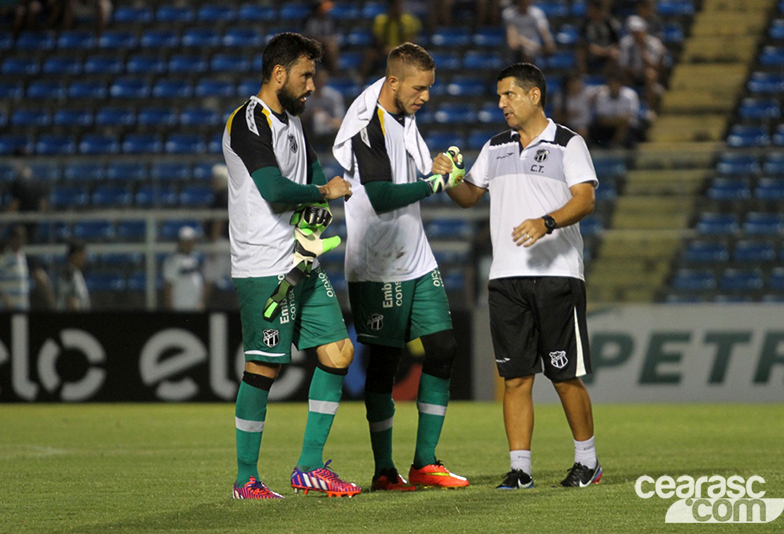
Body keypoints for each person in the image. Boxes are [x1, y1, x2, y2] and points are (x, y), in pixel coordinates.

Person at [446, 63, 602, 490]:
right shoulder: (495, 147)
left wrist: (546, 222)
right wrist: (449, 178)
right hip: (505, 278)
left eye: (508, 95)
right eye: (499, 97)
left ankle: (587, 462)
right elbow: (467, 196)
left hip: (557, 274)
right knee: (515, 378)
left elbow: (585, 199)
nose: (501, 105)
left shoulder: (569, 143)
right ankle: (520, 470)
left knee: (564, 374)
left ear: (534, 96)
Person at [222, 32, 358, 500]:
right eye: (305, 75)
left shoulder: (292, 120)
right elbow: (275, 190)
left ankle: (309, 467)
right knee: (263, 367)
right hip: (263, 266)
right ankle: (246, 480)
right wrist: (322, 195)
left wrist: (318, 210)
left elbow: (312, 168)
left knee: (339, 352)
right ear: (278, 74)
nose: (311, 86)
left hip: (301, 261)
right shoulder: (248, 122)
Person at [332, 42, 469, 491]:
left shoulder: (403, 112)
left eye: (429, 88)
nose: (426, 96)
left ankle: (425, 462)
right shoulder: (366, 124)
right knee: (385, 364)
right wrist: (433, 183)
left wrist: (436, 165)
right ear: (393, 82)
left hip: (416, 255)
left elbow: (415, 166)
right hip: (377, 264)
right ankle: (385, 470)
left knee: (444, 348)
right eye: (420, 88)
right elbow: (379, 194)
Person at [359, 0, 422, 82]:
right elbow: (377, 41)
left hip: (403, 52)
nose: (397, 9)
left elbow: (412, 41)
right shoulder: (381, 21)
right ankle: (361, 81)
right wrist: (385, 49)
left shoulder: (409, 20)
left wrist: (396, 50)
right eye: (394, 6)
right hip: (384, 51)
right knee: (370, 55)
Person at [618, 14, 665, 112]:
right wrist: (633, 71)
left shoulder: (653, 43)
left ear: (644, 31)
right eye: (634, 32)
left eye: (638, 32)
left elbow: (654, 65)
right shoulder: (625, 44)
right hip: (631, 75)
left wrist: (643, 52)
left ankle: (650, 109)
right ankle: (624, 110)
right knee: (619, 76)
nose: (636, 35)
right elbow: (623, 65)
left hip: (647, 75)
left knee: (650, 75)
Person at [0, 225, 54, 311]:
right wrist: (5, 299)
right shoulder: (3, 259)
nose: (19, 241)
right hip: (7, 308)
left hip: (22, 307)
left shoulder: (23, 258)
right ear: (11, 239)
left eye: (21, 238)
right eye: (16, 238)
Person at [203, 164, 234, 310]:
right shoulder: (228, 194)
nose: (212, 182)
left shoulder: (223, 196)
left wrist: (212, 246)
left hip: (222, 242)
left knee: (209, 276)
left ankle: (201, 305)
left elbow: (219, 222)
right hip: (230, 242)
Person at [589, 69, 640, 148]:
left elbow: (629, 117)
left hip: (626, 127)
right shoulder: (602, 96)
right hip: (607, 127)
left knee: (628, 128)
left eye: (616, 83)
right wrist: (618, 120)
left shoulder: (630, 95)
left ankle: (615, 146)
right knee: (594, 128)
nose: (613, 86)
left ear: (621, 84)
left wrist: (615, 120)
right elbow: (601, 119)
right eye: (611, 84)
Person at [162, 226, 205, 311]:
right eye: (186, 241)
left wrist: (200, 301)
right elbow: (168, 286)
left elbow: (198, 281)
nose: (189, 244)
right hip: (179, 305)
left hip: (194, 305)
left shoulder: (195, 258)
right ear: (180, 242)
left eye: (191, 241)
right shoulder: (173, 260)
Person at [502, 0, 556, 64]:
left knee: (531, 51)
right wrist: (526, 44)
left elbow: (543, 30)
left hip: (534, 46)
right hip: (518, 45)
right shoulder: (509, 14)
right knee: (518, 45)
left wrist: (549, 43)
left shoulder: (537, 13)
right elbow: (511, 37)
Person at [303, 66, 345, 145]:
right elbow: (299, 120)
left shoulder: (334, 96)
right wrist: (311, 113)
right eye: (318, 78)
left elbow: (339, 121)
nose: (320, 81)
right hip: (310, 130)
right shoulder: (305, 97)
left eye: (323, 78)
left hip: (330, 130)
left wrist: (325, 118)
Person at [577, 0, 621, 74]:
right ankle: (583, 76)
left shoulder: (609, 22)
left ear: (598, 10)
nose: (589, 12)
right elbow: (583, 40)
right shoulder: (586, 23)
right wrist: (593, 48)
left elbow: (617, 41)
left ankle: (606, 77)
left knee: (615, 54)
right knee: (580, 51)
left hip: (608, 49)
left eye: (591, 9)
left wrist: (607, 50)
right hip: (593, 50)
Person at [303, 0, 341, 75]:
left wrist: (328, 41)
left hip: (328, 46)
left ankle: (335, 72)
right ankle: (335, 72)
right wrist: (323, 40)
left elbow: (337, 35)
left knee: (332, 47)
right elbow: (307, 36)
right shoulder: (309, 20)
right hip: (313, 46)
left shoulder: (331, 20)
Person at [552, 73, 595, 139]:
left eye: (578, 82)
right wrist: (568, 115)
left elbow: (603, 91)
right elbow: (557, 118)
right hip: (568, 127)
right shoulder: (561, 98)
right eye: (573, 83)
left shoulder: (587, 93)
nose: (577, 85)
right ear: (568, 84)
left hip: (588, 126)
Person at [56, 239, 90, 311]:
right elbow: (72, 302)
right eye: (82, 254)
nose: (84, 258)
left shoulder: (76, 273)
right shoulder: (68, 274)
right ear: (74, 255)